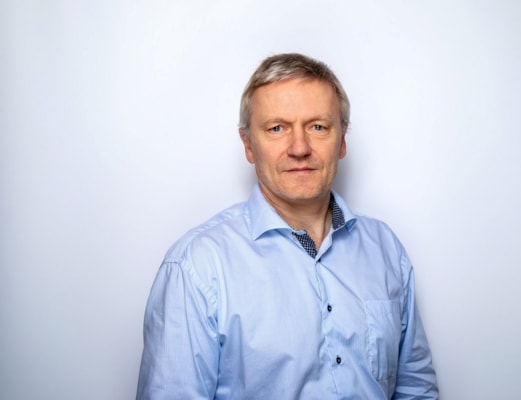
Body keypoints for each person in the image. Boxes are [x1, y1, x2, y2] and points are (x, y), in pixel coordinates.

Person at [136, 53, 438, 399]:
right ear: (249, 145)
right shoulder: (198, 266)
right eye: (277, 128)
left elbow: (415, 388)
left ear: (342, 140)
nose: (299, 148)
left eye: (318, 127)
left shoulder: (384, 248)